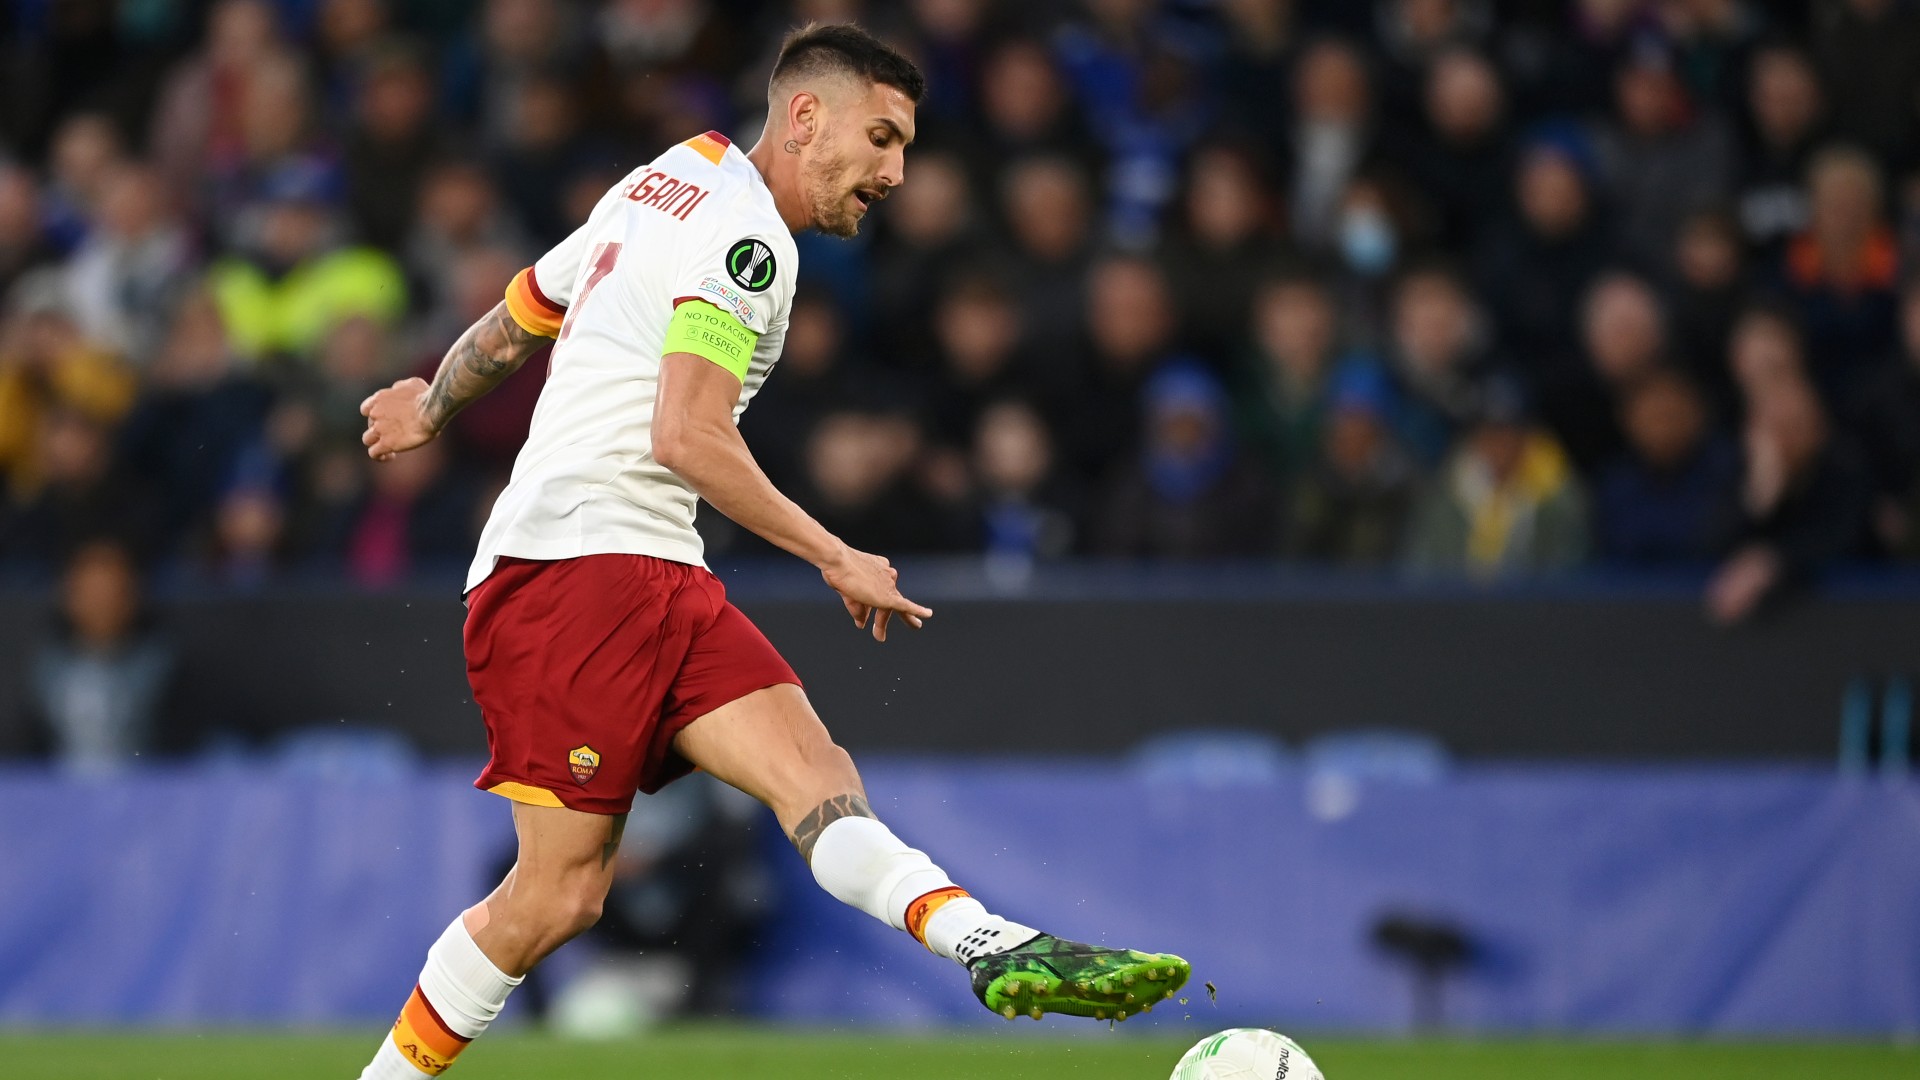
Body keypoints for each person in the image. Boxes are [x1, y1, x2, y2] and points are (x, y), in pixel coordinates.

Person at [353, 25, 1188, 1080]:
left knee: (818, 777)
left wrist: (431, 404)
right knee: (558, 895)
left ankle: (987, 942)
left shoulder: (668, 176)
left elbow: (529, 308)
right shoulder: (753, 247)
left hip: (650, 565)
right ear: (805, 118)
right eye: (880, 138)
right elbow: (686, 434)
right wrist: (835, 553)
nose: (895, 171)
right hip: (575, 571)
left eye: (906, 147)